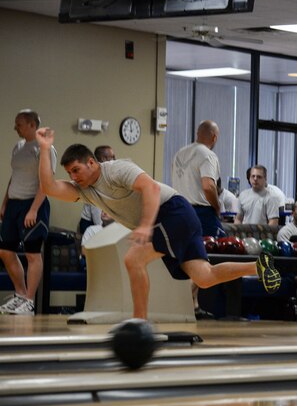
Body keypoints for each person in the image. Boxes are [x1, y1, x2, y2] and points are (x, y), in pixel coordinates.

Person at [35, 128, 280, 320]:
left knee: (133, 259)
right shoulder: (85, 191)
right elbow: (49, 187)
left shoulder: (116, 169)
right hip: (182, 218)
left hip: (173, 211)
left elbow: (149, 187)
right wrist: (45, 149)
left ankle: (139, 322)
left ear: (91, 162)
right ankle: (257, 267)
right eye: (70, 174)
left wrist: (144, 225)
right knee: (204, 278)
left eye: (76, 170)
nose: (73, 177)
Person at [0, 110, 57, 316]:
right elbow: (15, 176)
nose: (16, 127)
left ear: (32, 125)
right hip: (13, 205)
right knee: (5, 251)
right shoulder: (18, 146)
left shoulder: (45, 149)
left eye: (20, 124)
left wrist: (33, 209)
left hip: (33, 205)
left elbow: (46, 181)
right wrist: (5, 202)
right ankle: (21, 295)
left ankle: (30, 300)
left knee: (33, 254)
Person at [171, 119, 224, 320]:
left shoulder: (180, 153)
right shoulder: (207, 155)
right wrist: (217, 207)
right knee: (212, 253)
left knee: (190, 258)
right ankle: (184, 300)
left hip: (179, 211)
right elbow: (208, 186)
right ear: (214, 137)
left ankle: (193, 305)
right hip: (201, 213)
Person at [78, 145, 115, 233]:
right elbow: (99, 221)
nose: (115, 159)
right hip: (90, 226)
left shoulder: (110, 177)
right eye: (112, 157)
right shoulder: (95, 182)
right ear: (103, 159)